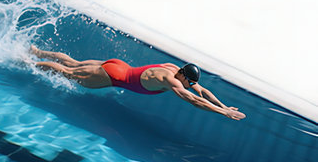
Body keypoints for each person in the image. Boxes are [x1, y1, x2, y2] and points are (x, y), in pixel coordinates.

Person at [31, 46, 246, 120]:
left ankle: (38, 52)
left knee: (74, 63)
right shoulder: (172, 81)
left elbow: (203, 91)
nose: (190, 86)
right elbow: (194, 101)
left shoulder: (174, 68)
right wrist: (223, 114)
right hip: (112, 76)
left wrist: (224, 106)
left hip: (117, 65)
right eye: (189, 82)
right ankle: (29, 62)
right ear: (183, 77)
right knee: (69, 73)